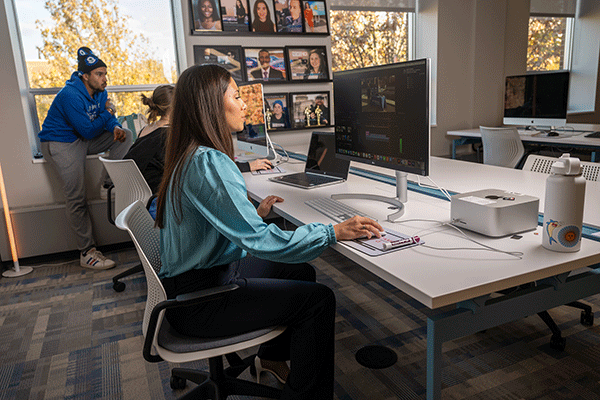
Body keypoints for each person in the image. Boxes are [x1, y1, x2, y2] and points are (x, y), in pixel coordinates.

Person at [155, 64, 382, 399]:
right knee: (319, 301)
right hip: (200, 301)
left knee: (299, 270)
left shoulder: (191, 154)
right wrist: (332, 232)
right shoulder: (210, 163)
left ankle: (272, 358)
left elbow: (215, 224)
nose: (245, 104)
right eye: (236, 96)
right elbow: (260, 242)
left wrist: (250, 214)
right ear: (212, 105)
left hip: (192, 283)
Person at [38, 46, 133, 270]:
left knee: (126, 136)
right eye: (99, 74)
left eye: (105, 73)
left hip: (82, 138)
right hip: (61, 142)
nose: (104, 78)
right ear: (85, 75)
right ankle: (87, 252)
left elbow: (105, 121)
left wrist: (115, 125)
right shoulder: (69, 95)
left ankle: (107, 184)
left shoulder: (101, 92)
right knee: (77, 197)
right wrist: (108, 113)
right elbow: (88, 131)